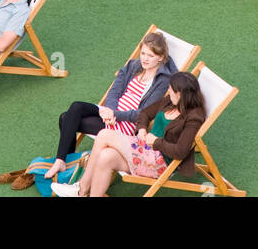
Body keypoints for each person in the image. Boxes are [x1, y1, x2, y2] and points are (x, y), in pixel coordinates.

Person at [40, 31, 178, 186]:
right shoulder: (134, 65)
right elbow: (115, 90)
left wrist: (116, 115)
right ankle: (62, 161)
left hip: (125, 123)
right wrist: (109, 111)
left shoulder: (162, 80)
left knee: (66, 119)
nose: (145, 58)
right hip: (110, 114)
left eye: (150, 56)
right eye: (143, 53)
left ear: (160, 57)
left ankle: (65, 162)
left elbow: (144, 112)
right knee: (76, 107)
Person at [53, 71, 206, 197]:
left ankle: (80, 190)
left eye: (172, 89)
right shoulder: (170, 101)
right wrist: (142, 129)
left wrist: (156, 142)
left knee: (105, 134)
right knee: (105, 156)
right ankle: (84, 193)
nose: (169, 90)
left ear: (180, 94)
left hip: (159, 161)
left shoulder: (194, 117)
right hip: (144, 148)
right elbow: (145, 113)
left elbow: (180, 151)